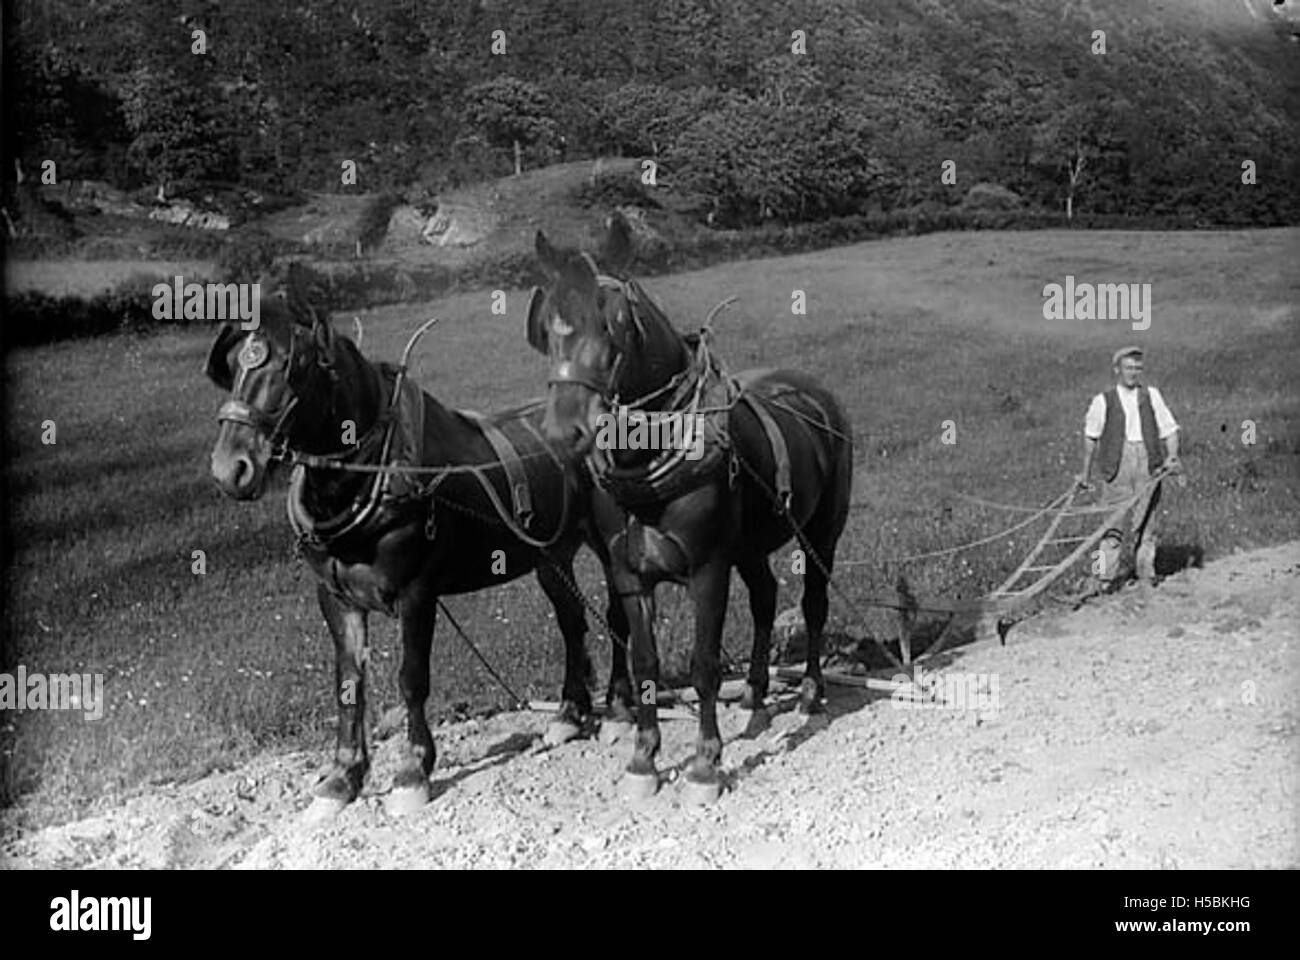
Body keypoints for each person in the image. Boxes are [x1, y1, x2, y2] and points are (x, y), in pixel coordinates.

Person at [1075, 346, 1181, 589]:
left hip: (1148, 460)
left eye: (1137, 368)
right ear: (1117, 370)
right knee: (1110, 525)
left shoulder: (1152, 395)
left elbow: (1169, 428)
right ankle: (1102, 579)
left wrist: (1172, 456)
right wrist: (1086, 472)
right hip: (1117, 462)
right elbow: (1091, 437)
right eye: (1128, 368)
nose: (1133, 373)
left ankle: (1145, 574)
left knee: (1147, 523)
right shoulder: (1103, 401)